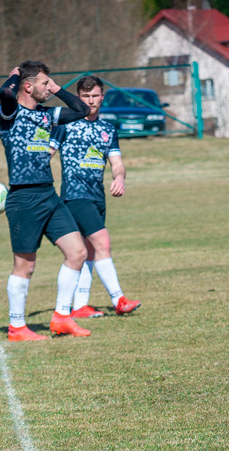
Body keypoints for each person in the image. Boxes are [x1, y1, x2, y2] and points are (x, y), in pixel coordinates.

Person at [0, 60, 92, 341]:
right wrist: (15, 75)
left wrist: (57, 87)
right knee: (25, 265)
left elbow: (82, 110)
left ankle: (62, 317)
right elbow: (5, 93)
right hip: (23, 198)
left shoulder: (47, 115)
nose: (48, 88)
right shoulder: (10, 113)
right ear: (27, 86)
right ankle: (17, 327)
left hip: (49, 194)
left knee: (78, 253)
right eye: (43, 83)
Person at [49, 76, 141, 318]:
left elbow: (117, 163)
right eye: (85, 96)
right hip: (75, 196)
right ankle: (118, 299)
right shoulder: (65, 124)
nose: (90, 100)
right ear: (79, 98)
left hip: (97, 196)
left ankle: (79, 306)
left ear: (102, 97)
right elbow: (46, 154)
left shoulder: (107, 129)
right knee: (103, 243)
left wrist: (119, 178)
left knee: (88, 251)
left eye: (95, 96)